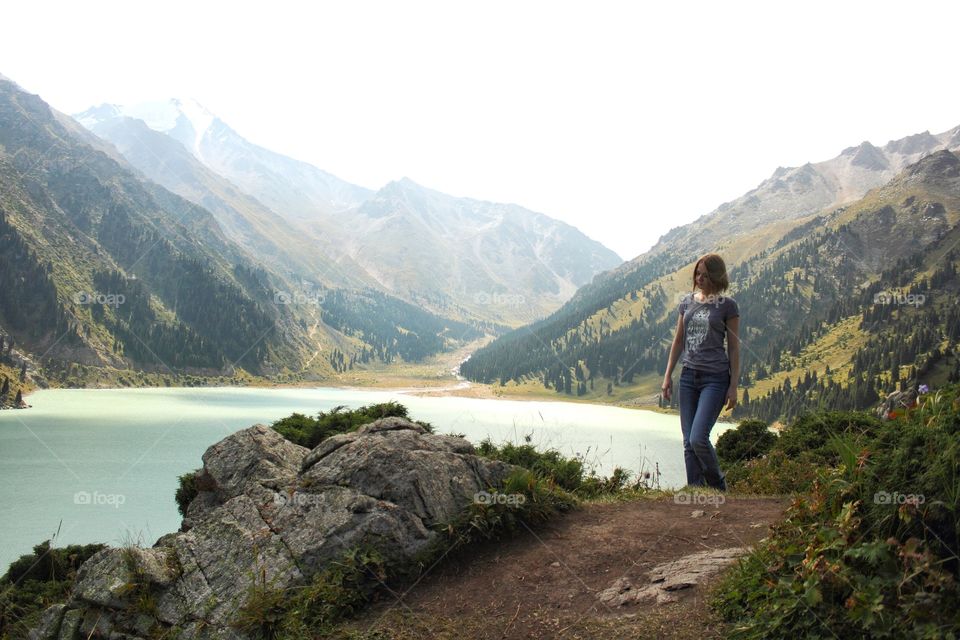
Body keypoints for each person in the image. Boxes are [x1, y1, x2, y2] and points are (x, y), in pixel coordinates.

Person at [661, 254, 740, 491]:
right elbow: (678, 342)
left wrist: (733, 385)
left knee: (698, 438)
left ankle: (718, 486)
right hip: (688, 377)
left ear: (717, 276)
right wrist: (667, 377)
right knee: (687, 442)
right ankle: (695, 491)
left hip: (715, 379)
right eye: (698, 273)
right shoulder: (686, 302)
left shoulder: (728, 306)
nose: (700, 278)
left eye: (706, 274)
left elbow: (734, 348)